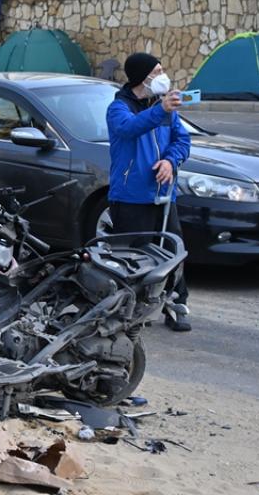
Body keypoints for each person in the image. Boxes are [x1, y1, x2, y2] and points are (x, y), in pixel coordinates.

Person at [106, 52, 191, 332]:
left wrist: (170, 161)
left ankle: (176, 305)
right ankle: (130, 311)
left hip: (164, 196)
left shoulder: (163, 107)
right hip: (131, 197)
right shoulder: (119, 108)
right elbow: (129, 128)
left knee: (173, 253)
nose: (163, 76)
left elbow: (182, 140)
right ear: (142, 77)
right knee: (132, 258)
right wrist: (161, 110)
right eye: (157, 71)